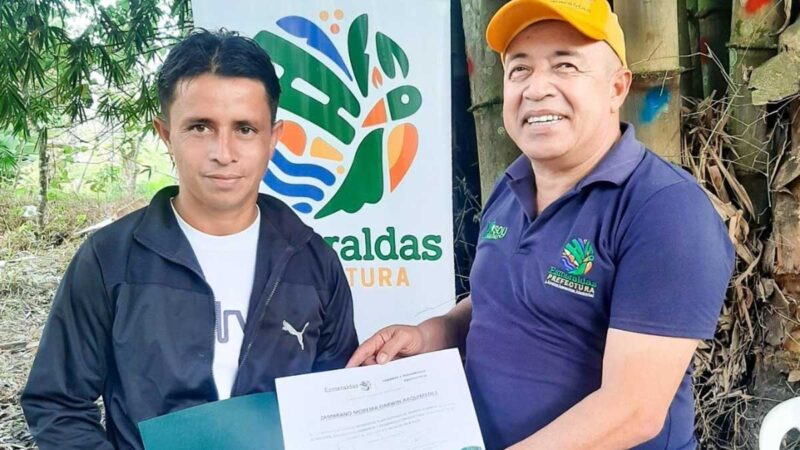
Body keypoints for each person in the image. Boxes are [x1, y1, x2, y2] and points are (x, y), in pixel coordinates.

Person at [348, 1, 734, 449]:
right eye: (519, 70)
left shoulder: (664, 209)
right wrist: (430, 333)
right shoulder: (510, 187)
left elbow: (633, 410)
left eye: (565, 65)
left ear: (617, 87)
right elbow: (502, 301)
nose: (536, 89)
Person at [21, 29, 358, 450]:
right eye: (200, 127)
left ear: (274, 138)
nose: (223, 151)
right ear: (166, 134)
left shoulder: (313, 262)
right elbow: (57, 403)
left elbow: (336, 401)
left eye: (245, 129)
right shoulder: (111, 259)